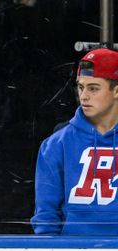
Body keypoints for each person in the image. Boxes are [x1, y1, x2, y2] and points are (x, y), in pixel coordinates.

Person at [31, 48, 118, 235]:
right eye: (80, 87)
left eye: (93, 88)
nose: (84, 96)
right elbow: (46, 218)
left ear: (116, 91)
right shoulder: (55, 145)